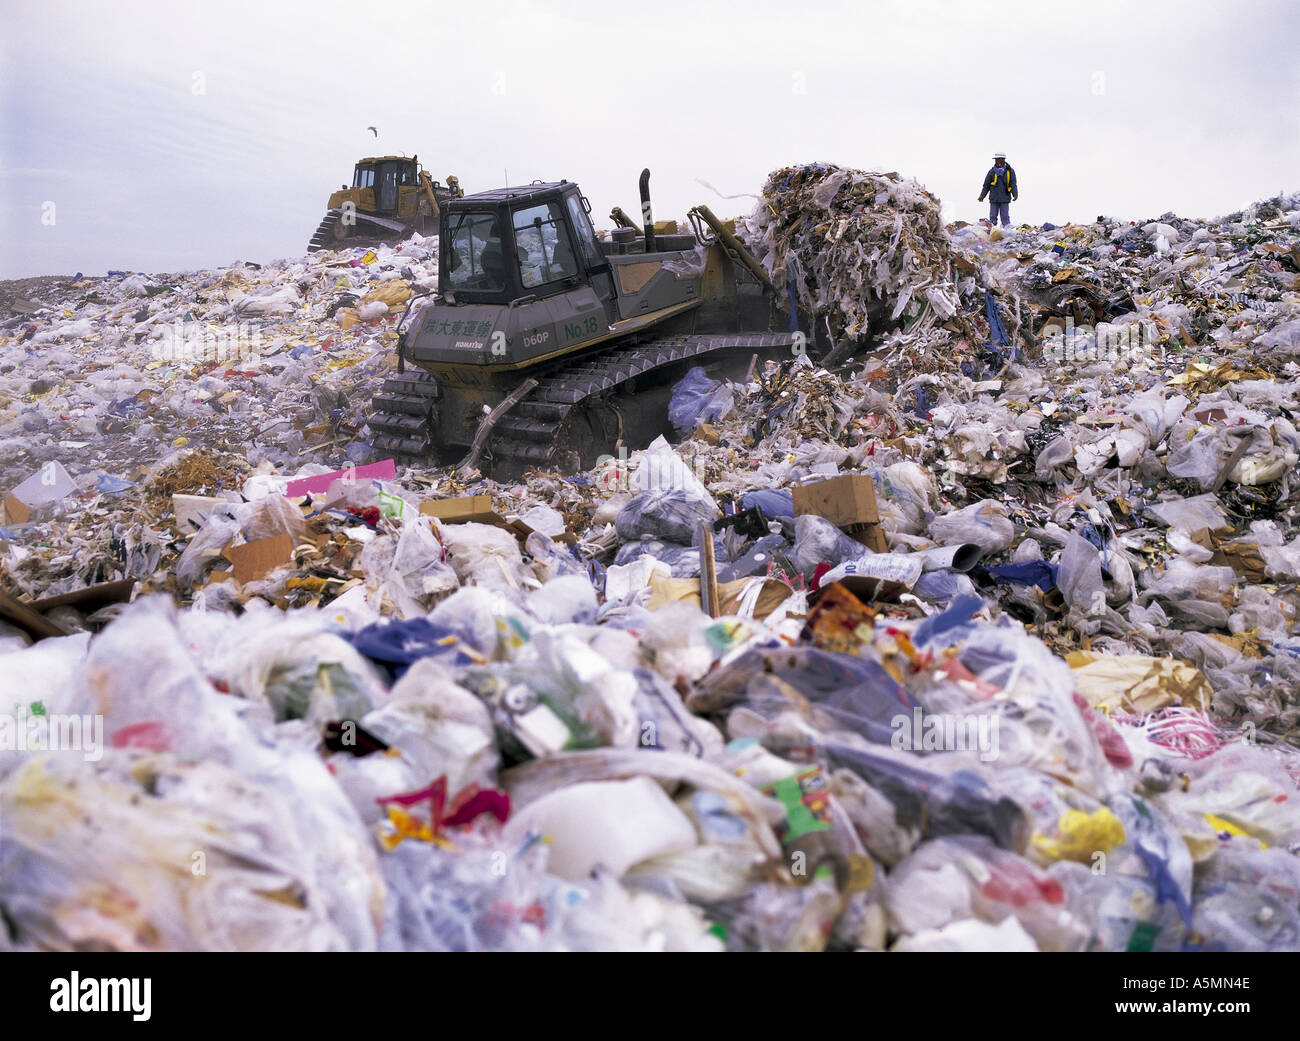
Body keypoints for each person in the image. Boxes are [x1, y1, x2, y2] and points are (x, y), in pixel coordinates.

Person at [978, 153, 1018, 228]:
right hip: (994, 198)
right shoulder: (991, 171)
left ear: (1003, 160)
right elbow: (986, 185)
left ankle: (1006, 230)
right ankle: (992, 230)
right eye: (996, 160)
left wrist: (1015, 194)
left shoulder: (1010, 171)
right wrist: (982, 196)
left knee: (1005, 217)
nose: (996, 161)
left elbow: (1013, 183)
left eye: (998, 159)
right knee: (993, 216)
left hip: (1005, 198)